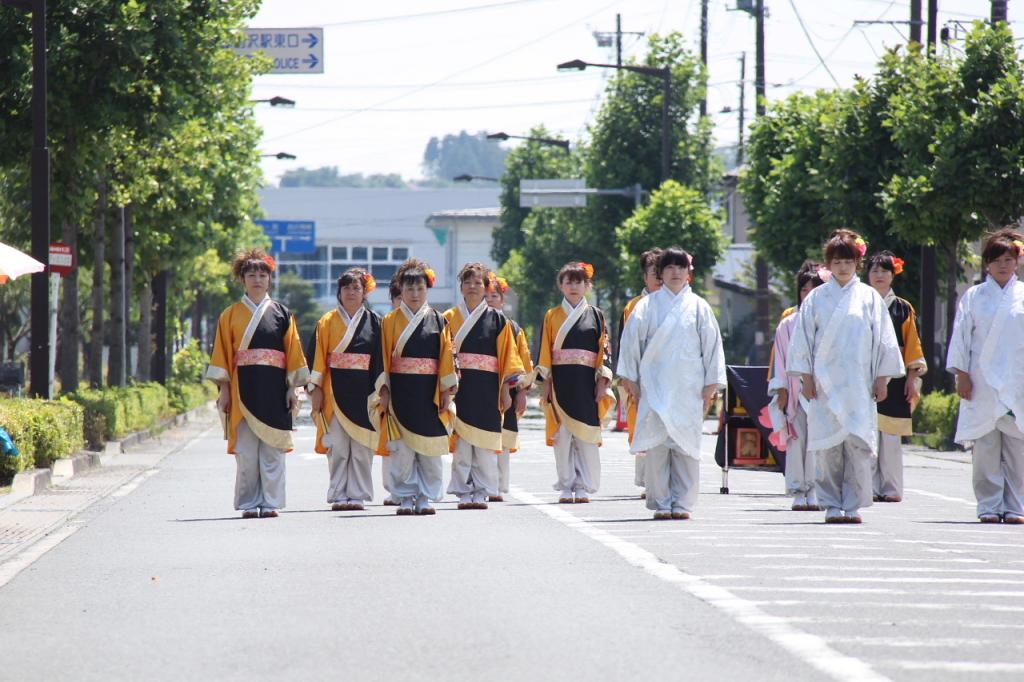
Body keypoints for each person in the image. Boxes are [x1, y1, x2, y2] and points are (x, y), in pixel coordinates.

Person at [787, 229, 905, 524]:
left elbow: (884, 340)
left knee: (857, 445)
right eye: (837, 261)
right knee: (828, 447)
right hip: (825, 384)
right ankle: (830, 503)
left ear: (857, 263)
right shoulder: (816, 297)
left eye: (848, 261)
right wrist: (807, 377)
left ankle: (852, 503)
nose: (842, 267)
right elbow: (803, 339)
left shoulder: (868, 298)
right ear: (829, 264)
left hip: (858, 383)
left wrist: (882, 378)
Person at [617, 247, 725, 520]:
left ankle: (683, 502)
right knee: (657, 447)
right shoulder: (646, 306)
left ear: (689, 272)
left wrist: (711, 384)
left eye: (681, 267)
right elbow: (631, 344)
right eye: (669, 268)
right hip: (654, 386)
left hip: (688, 388)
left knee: (686, 447)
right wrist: (630, 379)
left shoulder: (700, 306)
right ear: (660, 274)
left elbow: (712, 347)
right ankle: (662, 501)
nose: (675, 272)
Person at [205, 248, 308, 519]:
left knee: (273, 451)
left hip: (275, 390)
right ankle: (250, 503)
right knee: (247, 453)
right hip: (242, 391)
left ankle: (271, 502)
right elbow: (223, 355)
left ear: (270, 279)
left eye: (263, 274)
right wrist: (224, 391)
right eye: (251, 274)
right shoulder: (229, 315)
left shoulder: (282, 314)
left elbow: (293, 353)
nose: (258, 279)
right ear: (242, 279)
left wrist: (292, 389)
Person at [947, 229, 1024, 524]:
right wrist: (962, 375)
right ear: (987, 264)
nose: (1003, 265)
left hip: (1016, 380)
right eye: (997, 260)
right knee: (986, 447)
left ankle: (1016, 505)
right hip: (981, 380)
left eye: (1008, 259)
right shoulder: (974, 296)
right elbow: (962, 337)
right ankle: (989, 505)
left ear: (1016, 262)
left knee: (1017, 447)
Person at [379, 258, 458, 516]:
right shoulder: (389, 322)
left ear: (427, 290)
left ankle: (425, 496)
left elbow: (447, 357)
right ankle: (403, 495)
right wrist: (384, 392)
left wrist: (447, 391)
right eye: (409, 289)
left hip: (429, 393)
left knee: (430, 448)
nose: (414, 294)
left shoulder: (438, 320)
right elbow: (381, 359)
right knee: (401, 450)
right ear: (400, 290)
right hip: (401, 391)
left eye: (419, 289)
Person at [444, 263, 524, 509]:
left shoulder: (499, 320)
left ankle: (482, 490)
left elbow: (507, 357)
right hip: (459, 387)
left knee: (485, 442)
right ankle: (463, 490)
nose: (473, 287)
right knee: (462, 444)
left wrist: (506, 391)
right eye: (468, 282)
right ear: (461, 287)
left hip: (488, 386)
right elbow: (443, 355)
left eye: (478, 283)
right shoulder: (448, 318)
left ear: (486, 287)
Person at [537, 261, 615, 503]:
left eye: (579, 281)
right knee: (562, 436)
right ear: (561, 285)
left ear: (587, 286)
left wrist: (603, 381)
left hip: (586, 383)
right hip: (561, 382)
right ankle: (566, 484)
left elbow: (604, 351)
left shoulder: (597, 315)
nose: (573, 286)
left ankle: (583, 485)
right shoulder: (551, 316)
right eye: (568, 281)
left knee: (586, 436)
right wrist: (546, 383)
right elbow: (544, 352)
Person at [308, 268, 384, 512]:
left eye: (356, 288)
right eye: (347, 288)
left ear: (364, 292)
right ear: (338, 292)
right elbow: (318, 357)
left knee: (362, 448)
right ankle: (339, 493)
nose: (351, 292)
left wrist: (382, 391)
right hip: (334, 390)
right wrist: (316, 390)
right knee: (338, 447)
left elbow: (381, 360)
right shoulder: (326, 322)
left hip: (365, 392)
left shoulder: (375, 322)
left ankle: (358, 494)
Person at [866, 251, 927, 503]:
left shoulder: (903, 308)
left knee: (890, 437)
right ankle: (867, 486)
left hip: (897, 376)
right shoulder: (861, 303)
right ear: (867, 275)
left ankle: (890, 488)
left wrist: (913, 378)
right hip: (865, 375)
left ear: (893, 275)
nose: (880, 275)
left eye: (885, 271)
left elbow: (912, 344)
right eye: (875, 271)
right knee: (866, 435)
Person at [767, 261, 827, 511]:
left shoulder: (830, 321)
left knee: (818, 441)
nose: (809, 294)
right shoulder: (788, 324)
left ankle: (816, 488)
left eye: (814, 289)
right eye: (804, 289)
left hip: (822, 392)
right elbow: (780, 359)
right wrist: (780, 389)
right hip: (795, 391)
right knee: (796, 440)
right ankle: (797, 489)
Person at [485, 274, 533, 502]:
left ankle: (499, 485)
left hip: (509, 390)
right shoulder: (473, 325)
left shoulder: (513, 328)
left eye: (494, 296)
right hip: (482, 387)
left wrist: (522, 392)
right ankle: (482, 483)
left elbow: (524, 362)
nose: (489, 300)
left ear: (502, 300)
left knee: (503, 440)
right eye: (485, 296)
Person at [619, 248, 662, 499]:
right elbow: (628, 344)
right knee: (643, 424)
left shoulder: (677, 303)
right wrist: (628, 377)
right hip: (643, 375)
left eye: (661, 272)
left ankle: (664, 479)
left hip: (667, 374)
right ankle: (647, 481)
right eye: (652, 273)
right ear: (644, 276)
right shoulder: (634, 306)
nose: (657, 278)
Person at [381, 276, 404, 507]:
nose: (401, 301)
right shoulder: (387, 323)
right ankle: (392, 486)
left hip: (418, 385)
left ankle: (414, 487)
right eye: (397, 297)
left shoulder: (430, 320)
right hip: (394, 385)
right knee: (392, 440)